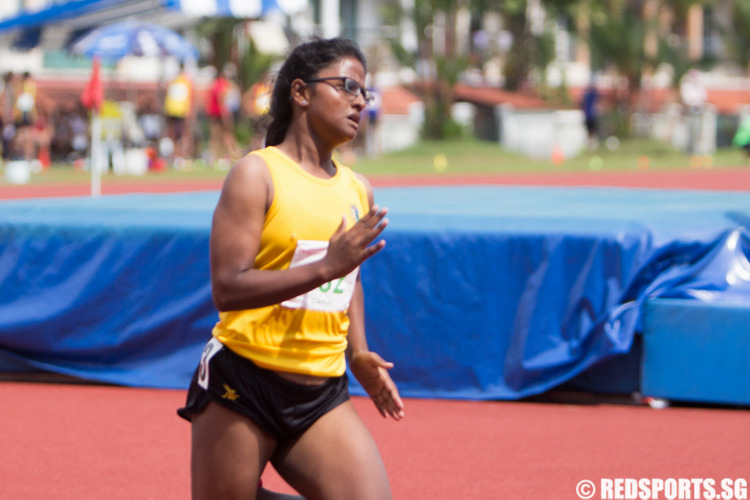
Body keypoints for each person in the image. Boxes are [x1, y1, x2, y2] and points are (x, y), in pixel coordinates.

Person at [177, 37, 405, 500]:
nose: (360, 100)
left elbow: (350, 275)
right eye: (347, 86)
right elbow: (227, 288)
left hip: (319, 388)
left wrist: (358, 351)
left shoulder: (357, 188)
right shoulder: (256, 175)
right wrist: (325, 266)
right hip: (245, 380)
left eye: (365, 92)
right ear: (301, 92)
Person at [205, 63, 241, 167]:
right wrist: (226, 115)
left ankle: (215, 156)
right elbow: (222, 101)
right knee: (227, 134)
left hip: (214, 113)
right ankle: (233, 154)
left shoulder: (214, 84)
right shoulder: (224, 85)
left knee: (216, 136)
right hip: (221, 114)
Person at [164, 63, 194, 165]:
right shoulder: (183, 81)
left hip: (176, 111)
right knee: (178, 135)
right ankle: (178, 155)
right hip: (178, 111)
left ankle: (180, 155)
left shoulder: (175, 81)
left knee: (178, 135)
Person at [679, 69, 707, 155]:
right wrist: (694, 103)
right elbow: (687, 100)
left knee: (698, 133)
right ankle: (689, 152)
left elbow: (703, 98)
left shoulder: (699, 86)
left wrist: (697, 103)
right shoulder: (686, 86)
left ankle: (697, 152)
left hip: (699, 113)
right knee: (690, 133)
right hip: (690, 113)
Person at [580, 79, 599, 151]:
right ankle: (589, 145)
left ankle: (591, 145)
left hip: (590, 115)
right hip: (590, 116)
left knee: (591, 131)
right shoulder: (590, 95)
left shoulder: (589, 95)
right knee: (591, 131)